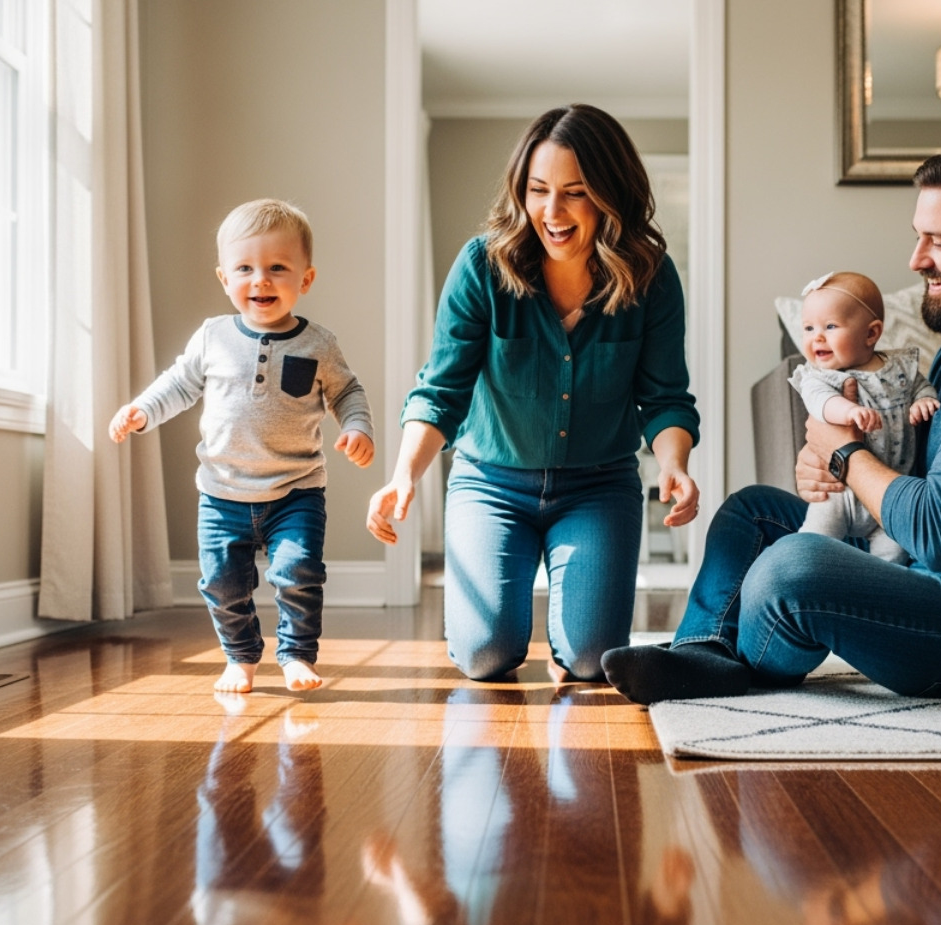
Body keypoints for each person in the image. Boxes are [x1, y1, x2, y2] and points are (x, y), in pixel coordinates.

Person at [602, 142, 941, 705]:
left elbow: (938, 533)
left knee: (793, 567)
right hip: (938, 575)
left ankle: (743, 665)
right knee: (750, 512)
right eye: (919, 235)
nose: (916, 258)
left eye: (940, 242)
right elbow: (923, 470)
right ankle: (702, 655)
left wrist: (846, 456)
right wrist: (825, 462)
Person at [366, 104, 700, 682]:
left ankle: (570, 641)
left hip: (599, 487)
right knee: (483, 656)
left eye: (575, 192)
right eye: (538, 189)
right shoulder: (482, 267)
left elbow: (666, 394)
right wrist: (403, 476)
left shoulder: (652, 276)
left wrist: (674, 464)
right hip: (491, 483)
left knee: (595, 661)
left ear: (610, 195)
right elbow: (441, 390)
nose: (552, 212)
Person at [110, 198, 375, 694]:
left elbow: (348, 392)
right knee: (222, 584)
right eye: (245, 268)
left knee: (298, 574)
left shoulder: (319, 344)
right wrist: (142, 411)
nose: (261, 280)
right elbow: (178, 384)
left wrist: (358, 428)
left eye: (278, 268)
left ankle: (296, 655)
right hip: (222, 491)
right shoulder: (212, 337)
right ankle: (241, 657)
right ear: (224, 278)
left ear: (306, 279)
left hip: (296, 490)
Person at [788, 270, 938, 561]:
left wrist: (924, 401)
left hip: (891, 492)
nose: (816, 337)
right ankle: (805, 569)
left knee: (892, 558)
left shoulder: (898, 368)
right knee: (810, 546)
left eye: (830, 326)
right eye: (808, 328)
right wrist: (848, 410)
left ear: (871, 333)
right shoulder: (821, 376)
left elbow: (921, 386)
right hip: (839, 494)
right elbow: (819, 401)